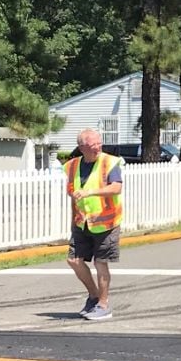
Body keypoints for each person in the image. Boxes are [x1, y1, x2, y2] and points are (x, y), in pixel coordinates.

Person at [64, 128, 125, 321]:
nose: (98, 148)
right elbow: (72, 189)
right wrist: (75, 194)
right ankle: (94, 296)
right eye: (93, 145)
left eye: (99, 143)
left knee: (100, 262)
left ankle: (103, 305)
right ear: (82, 147)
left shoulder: (109, 162)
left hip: (107, 222)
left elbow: (116, 188)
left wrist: (91, 193)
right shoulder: (72, 166)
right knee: (74, 260)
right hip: (82, 221)